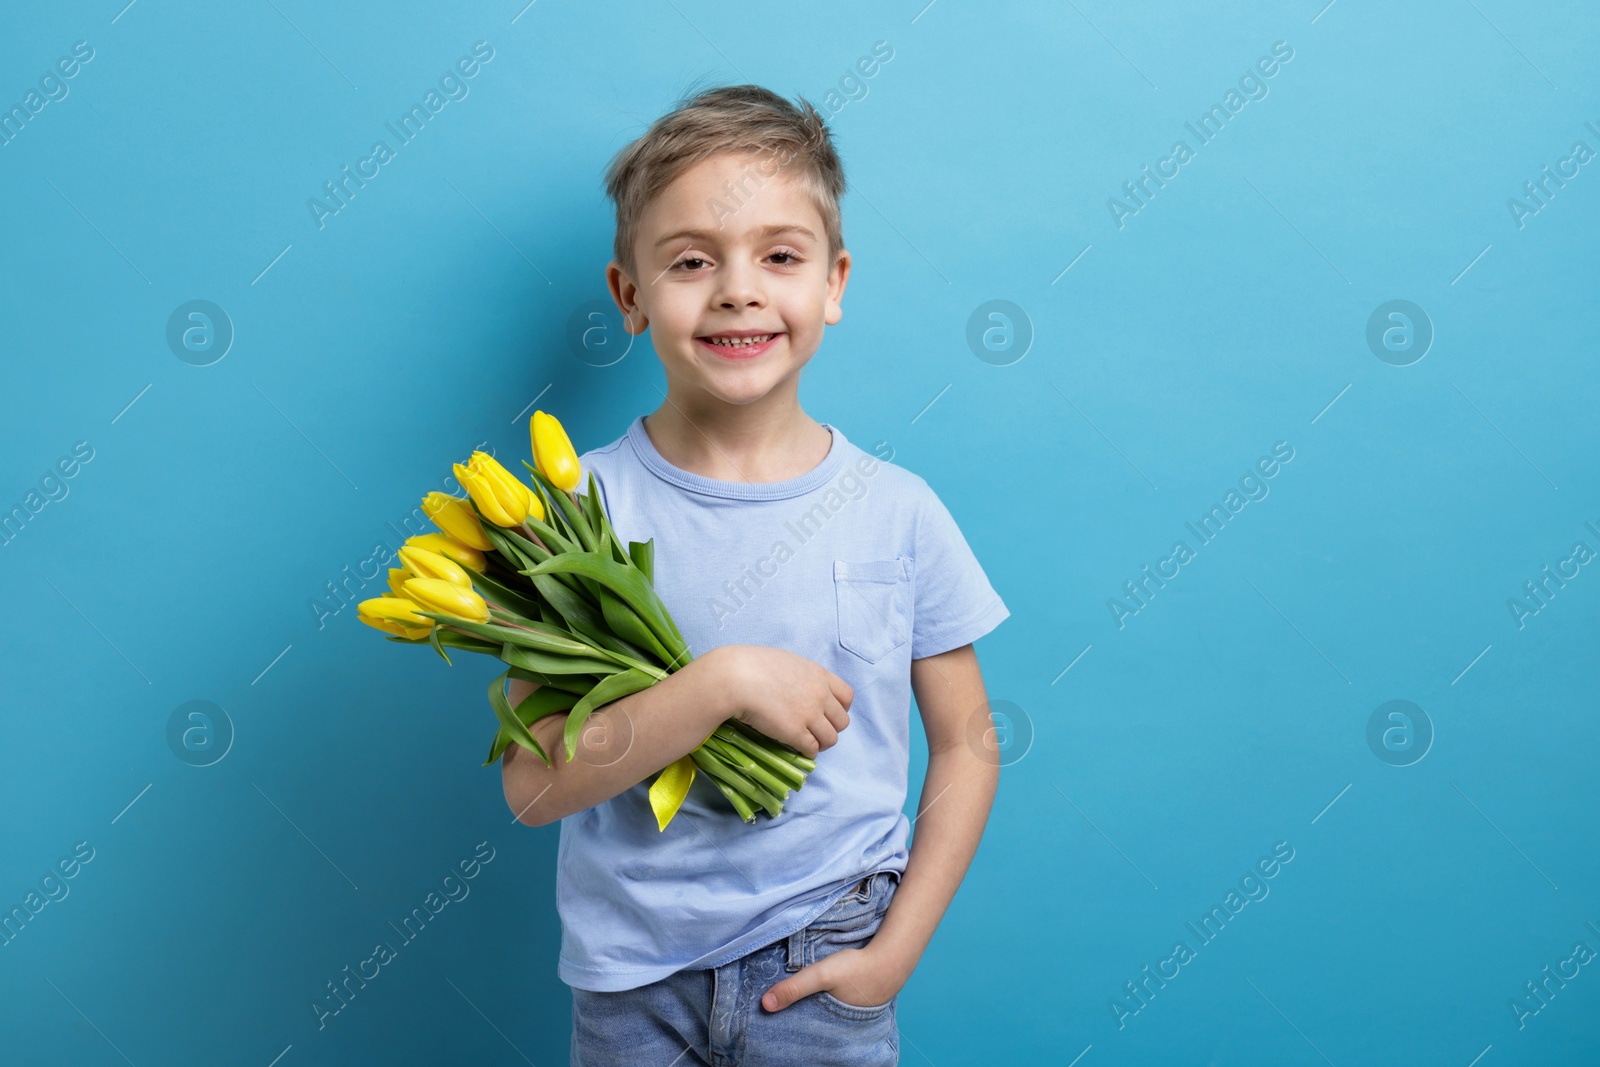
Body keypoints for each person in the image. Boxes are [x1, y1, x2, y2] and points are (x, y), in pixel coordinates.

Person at [500, 83, 1010, 1067]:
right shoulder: (567, 514)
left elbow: (969, 744)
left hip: (825, 960)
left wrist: (891, 952)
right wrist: (720, 682)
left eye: (779, 255)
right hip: (630, 980)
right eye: (691, 260)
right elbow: (532, 782)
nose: (738, 288)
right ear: (630, 296)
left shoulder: (897, 510)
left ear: (834, 281)